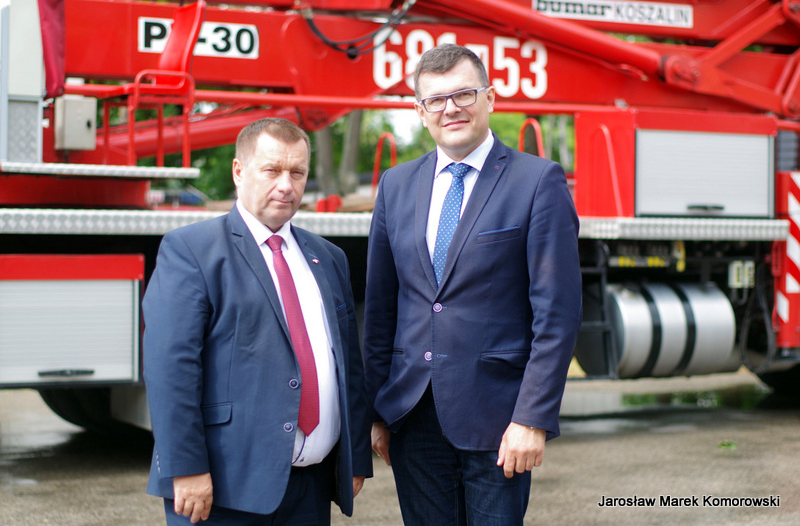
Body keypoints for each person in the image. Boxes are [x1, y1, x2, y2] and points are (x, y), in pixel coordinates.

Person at [363, 44, 582, 525]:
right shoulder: (395, 185)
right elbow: (381, 308)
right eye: (436, 100)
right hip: (412, 415)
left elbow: (557, 315)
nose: (451, 109)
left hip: (498, 420)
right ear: (420, 112)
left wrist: (531, 418)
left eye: (463, 94)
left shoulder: (537, 181)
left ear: (490, 97)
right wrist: (376, 411)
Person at [143, 117, 373, 525]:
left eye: (297, 172)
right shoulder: (192, 250)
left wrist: (354, 458)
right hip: (224, 489)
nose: (286, 185)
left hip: (310, 490)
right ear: (239, 171)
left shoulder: (328, 258)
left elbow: (347, 366)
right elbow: (171, 369)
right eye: (272, 170)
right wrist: (186, 467)